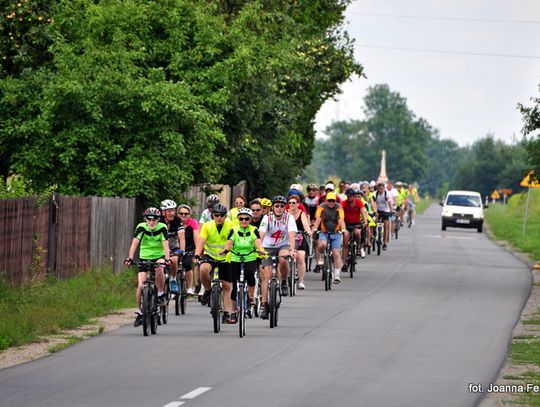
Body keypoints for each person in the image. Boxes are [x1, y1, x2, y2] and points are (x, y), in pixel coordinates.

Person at [124, 207, 171, 327]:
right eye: (149, 219)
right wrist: (129, 258)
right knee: (140, 286)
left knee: (159, 268)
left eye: (154, 219)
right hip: (144, 257)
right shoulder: (141, 227)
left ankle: (160, 294)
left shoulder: (162, 227)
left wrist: (167, 259)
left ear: (158, 219)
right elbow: (135, 243)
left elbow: (165, 245)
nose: (151, 222)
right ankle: (140, 311)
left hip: (158, 256)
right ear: (146, 219)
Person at [222, 208, 265, 323]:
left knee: (251, 275)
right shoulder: (234, 230)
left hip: (250, 257)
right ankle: (233, 313)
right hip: (236, 258)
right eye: (241, 219)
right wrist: (226, 250)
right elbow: (229, 242)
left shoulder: (254, 230)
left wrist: (260, 250)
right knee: (235, 286)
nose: (244, 221)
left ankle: (251, 297)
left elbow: (258, 242)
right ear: (238, 219)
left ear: (250, 219)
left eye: (246, 219)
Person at [194, 203, 236, 323]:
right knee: (203, 270)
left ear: (225, 216)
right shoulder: (207, 226)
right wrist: (197, 254)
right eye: (216, 215)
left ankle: (227, 312)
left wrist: (227, 250)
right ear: (212, 215)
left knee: (227, 286)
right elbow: (201, 241)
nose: (219, 218)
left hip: (226, 257)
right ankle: (207, 290)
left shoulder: (231, 225)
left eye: (222, 215)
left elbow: (231, 240)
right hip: (210, 254)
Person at [258, 195, 297, 318]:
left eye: (282, 206)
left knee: (284, 259)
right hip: (267, 246)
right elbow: (261, 234)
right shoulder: (267, 218)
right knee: (266, 277)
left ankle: (284, 281)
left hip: (283, 245)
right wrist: (258, 249)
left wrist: (292, 250)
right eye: (277, 206)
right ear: (272, 207)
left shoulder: (289, 217)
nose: (279, 208)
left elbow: (291, 234)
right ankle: (264, 304)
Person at [312, 192, 346, 283]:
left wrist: (343, 229)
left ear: (335, 201)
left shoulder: (339, 207)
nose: (331, 202)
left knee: (336, 253)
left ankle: (337, 275)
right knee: (322, 245)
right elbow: (318, 219)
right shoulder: (322, 206)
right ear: (326, 200)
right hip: (324, 232)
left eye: (333, 201)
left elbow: (341, 219)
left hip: (336, 233)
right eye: (329, 200)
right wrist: (315, 228)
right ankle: (323, 257)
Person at [160, 199, 186, 294]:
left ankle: (173, 279)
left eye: (173, 210)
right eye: (169, 211)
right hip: (161, 248)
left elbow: (182, 238)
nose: (172, 213)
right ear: (163, 212)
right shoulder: (158, 221)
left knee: (174, 260)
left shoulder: (177, 221)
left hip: (174, 247)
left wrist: (182, 250)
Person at [287, 194, 312, 289]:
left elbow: (305, 225)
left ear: (298, 204)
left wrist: (308, 231)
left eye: (294, 203)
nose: (291, 204)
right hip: (288, 238)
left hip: (300, 238)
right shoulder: (286, 213)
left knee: (301, 257)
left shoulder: (301, 214)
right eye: (290, 203)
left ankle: (301, 281)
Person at [342, 189, 369, 269]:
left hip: (356, 223)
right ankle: (344, 264)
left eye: (351, 196)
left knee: (357, 232)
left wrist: (365, 222)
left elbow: (363, 211)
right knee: (345, 241)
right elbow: (340, 213)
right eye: (348, 196)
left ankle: (358, 248)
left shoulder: (358, 202)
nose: (349, 198)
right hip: (346, 224)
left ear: (354, 196)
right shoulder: (344, 203)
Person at [177, 204, 199, 295]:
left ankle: (189, 287)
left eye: (186, 214)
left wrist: (197, 252)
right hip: (177, 248)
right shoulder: (175, 222)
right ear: (178, 214)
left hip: (190, 248)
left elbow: (196, 238)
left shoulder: (193, 223)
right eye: (181, 213)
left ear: (189, 214)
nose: (183, 215)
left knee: (186, 264)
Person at [375, 183, 392, 250]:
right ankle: (374, 235)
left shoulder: (386, 194)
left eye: (381, 188)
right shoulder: (375, 194)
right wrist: (375, 212)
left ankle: (384, 243)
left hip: (386, 211)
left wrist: (391, 210)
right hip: (378, 211)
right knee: (374, 223)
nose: (380, 190)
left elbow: (389, 202)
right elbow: (373, 202)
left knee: (385, 227)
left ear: (384, 188)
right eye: (378, 188)